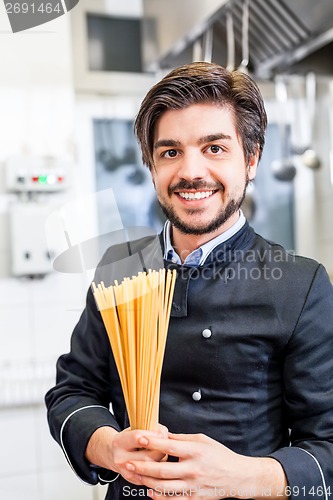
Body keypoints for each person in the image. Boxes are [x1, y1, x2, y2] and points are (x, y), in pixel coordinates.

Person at [45, 62, 333, 500]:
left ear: (251, 159)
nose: (190, 172)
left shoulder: (301, 283)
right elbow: (72, 391)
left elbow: (327, 445)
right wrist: (110, 447)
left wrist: (246, 476)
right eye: (170, 152)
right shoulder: (120, 268)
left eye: (215, 148)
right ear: (152, 165)